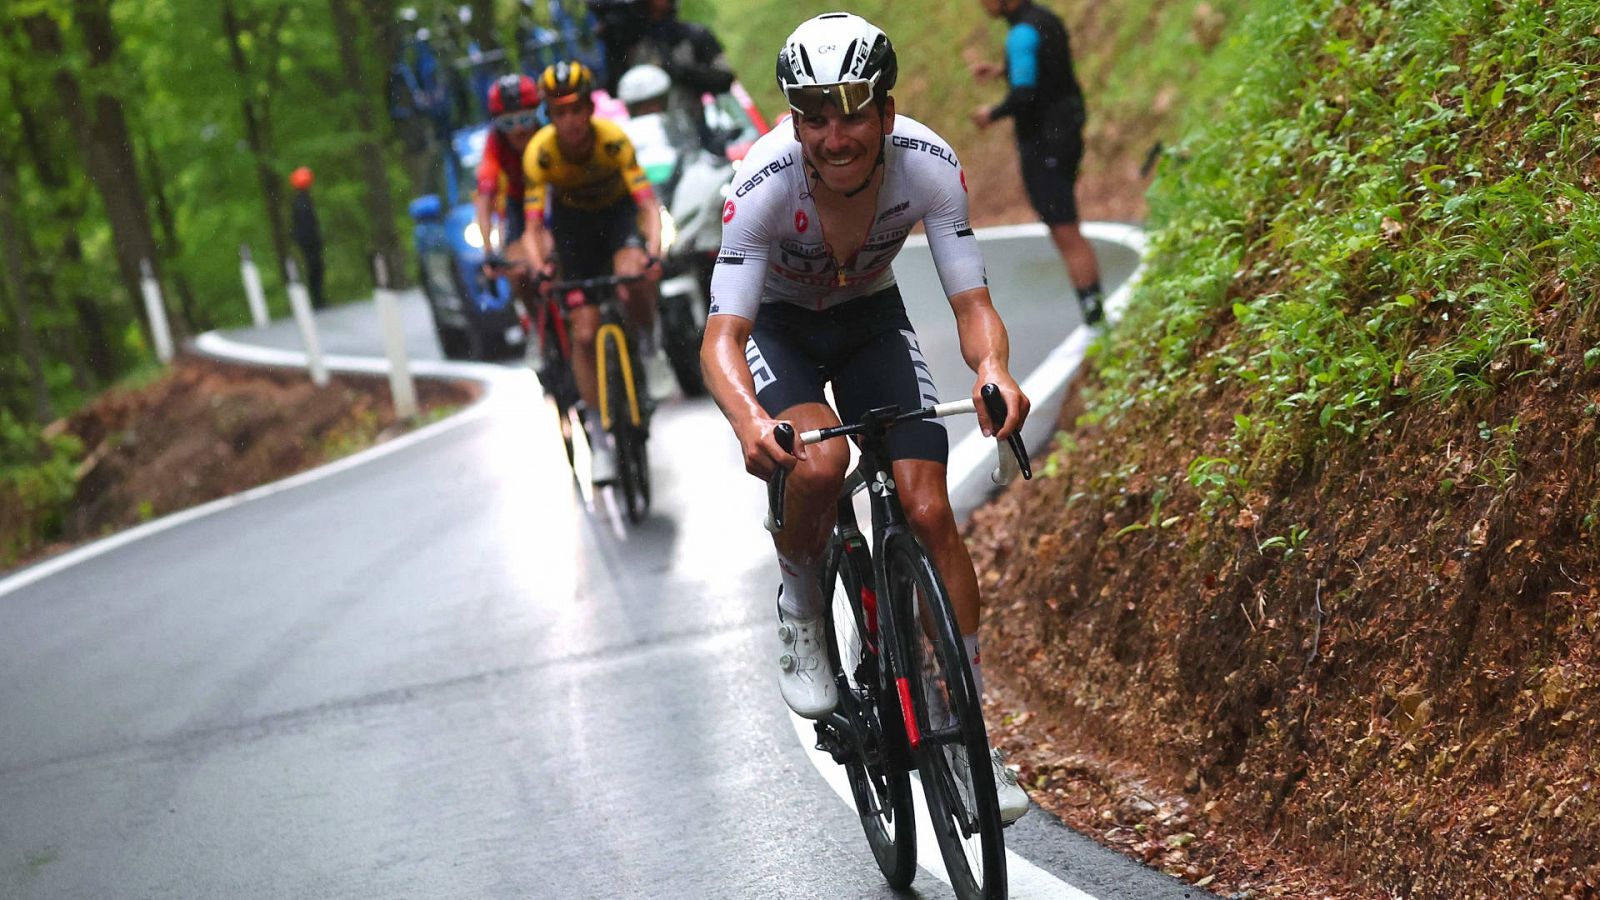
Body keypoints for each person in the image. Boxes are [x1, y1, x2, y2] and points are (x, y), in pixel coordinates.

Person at [699, 13, 1031, 824]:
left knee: (927, 509)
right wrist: (750, 421)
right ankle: (802, 604)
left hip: (871, 320)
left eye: (853, 111)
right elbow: (722, 339)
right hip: (780, 328)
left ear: (887, 112)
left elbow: (973, 303)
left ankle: (968, 727)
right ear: (793, 120)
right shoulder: (761, 183)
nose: (834, 134)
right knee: (817, 466)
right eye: (814, 114)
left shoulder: (929, 167)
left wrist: (992, 370)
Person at [518, 60, 663, 486]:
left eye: (576, 110)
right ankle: (599, 438)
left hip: (616, 222)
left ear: (589, 109)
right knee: (582, 332)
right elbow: (531, 227)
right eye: (558, 112)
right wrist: (541, 265)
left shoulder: (613, 141)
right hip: (574, 233)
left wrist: (653, 251)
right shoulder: (540, 152)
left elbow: (648, 206)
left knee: (634, 274)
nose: (569, 121)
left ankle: (649, 350)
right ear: (549, 115)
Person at [970, 0, 1104, 325]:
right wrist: (1003, 70)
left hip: (1044, 142)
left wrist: (992, 113)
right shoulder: (1045, 19)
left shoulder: (1020, 34)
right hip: (1067, 131)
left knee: (1064, 228)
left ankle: (1095, 316)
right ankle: (1095, 309)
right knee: (1066, 223)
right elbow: (1049, 66)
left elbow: (1025, 93)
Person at [594, 0, 735, 151]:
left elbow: (724, 78)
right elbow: (614, 90)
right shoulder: (631, 47)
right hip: (650, 143)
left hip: (697, 136)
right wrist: (613, 47)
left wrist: (680, 71)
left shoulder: (693, 36)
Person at [475, 74, 546, 310]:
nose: (517, 131)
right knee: (518, 271)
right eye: (507, 124)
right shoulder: (495, 143)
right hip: (520, 204)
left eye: (525, 120)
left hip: (555, 196)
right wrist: (488, 250)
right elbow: (485, 198)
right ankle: (536, 322)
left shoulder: (549, 131)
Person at [288, 167, 327, 309]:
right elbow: (306, 225)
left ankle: (318, 298)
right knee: (315, 267)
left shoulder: (301, 200)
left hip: (307, 241)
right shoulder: (302, 202)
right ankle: (317, 300)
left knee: (315, 268)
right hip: (309, 241)